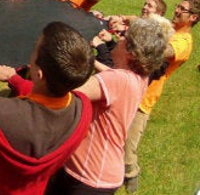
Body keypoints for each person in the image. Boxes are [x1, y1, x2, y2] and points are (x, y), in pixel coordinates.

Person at [0, 22, 94, 195]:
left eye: (35, 48)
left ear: (39, 74)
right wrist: (15, 79)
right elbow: (46, 97)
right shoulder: (82, 109)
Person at [45, 17, 169, 195]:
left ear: (131, 52)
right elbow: (111, 73)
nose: (118, 40)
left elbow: (65, 92)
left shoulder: (116, 81)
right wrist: (91, 59)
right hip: (98, 173)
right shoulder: (139, 77)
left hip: (88, 176)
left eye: (123, 37)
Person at [123, 0, 200, 193]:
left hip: (144, 99)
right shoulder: (168, 28)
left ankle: (132, 182)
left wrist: (139, 31)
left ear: (193, 17)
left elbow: (163, 51)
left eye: (182, 9)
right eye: (177, 6)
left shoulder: (184, 41)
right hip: (129, 88)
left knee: (127, 151)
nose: (176, 10)